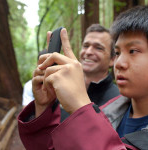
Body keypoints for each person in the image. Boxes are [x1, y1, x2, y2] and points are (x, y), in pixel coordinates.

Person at [18, 5, 148, 150]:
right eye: (118, 52)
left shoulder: (89, 104)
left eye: (133, 51)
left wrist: (81, 108)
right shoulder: (111, 111)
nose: (120, 63)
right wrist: (43, 108)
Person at [61, 24, 119, 121]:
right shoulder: (64, 90)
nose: (88, 52)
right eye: (86, 46)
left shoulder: (119, 101)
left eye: (98, 48)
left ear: (112, 60)